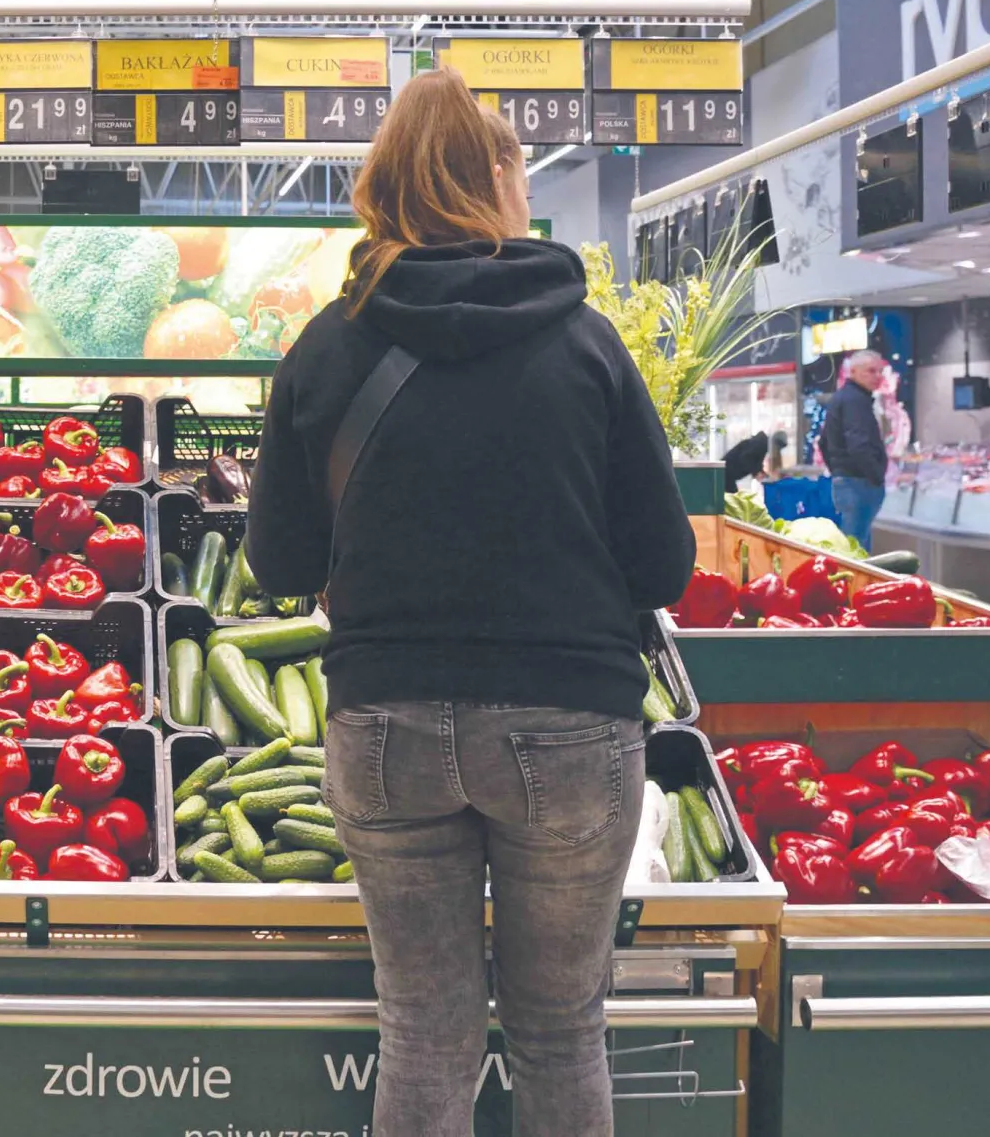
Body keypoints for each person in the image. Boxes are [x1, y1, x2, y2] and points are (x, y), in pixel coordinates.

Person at [246, 68, 695, 1137]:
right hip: (569, 722)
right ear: (492, 176)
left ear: (381, 186)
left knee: (423, 1031)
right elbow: (663, 567)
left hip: (385, 723)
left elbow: (273, 562)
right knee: (557, 1031)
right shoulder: (585, 344)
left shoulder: (324, 346)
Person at [820, 350, 889, 550]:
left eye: (880, 371)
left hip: (847, 480)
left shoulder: (843, 397)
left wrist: (838, 471)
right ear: (853, 372)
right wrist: (875, 475)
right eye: (871, 371)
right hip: (859, 484)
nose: (877, 376)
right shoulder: (855, 400)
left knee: (851, 544)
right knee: (855, 549)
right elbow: (858, 444)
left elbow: (823, 442)